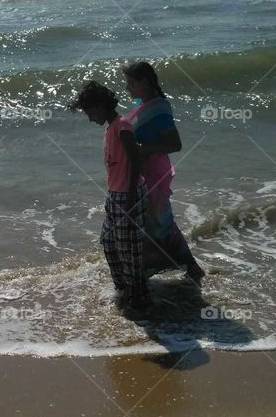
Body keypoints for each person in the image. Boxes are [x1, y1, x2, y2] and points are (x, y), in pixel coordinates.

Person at [122, 61, 206, 285]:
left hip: (155, 173)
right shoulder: (144, 104)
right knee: (151, 222)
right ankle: (152, 269)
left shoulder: (159, 108)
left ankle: (190, 268)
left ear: (145, 82)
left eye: (131, 83)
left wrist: (144, 150)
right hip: (143, 173)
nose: (127, 88)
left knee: (161, 222)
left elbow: (175, 144)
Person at [69, 80, 149, 306]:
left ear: (100, 106)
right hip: (115, 195)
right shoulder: (111, 127)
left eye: (90, 112)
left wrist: (132, 196)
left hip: (127, 196)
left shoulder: (122, 126)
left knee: (128, 250)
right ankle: (124, 290)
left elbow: (135, 159)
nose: (90, 118)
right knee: (109, 243)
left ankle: (139, 297)